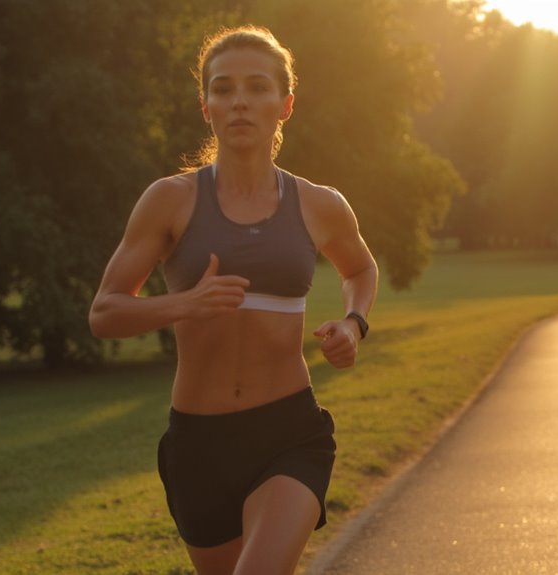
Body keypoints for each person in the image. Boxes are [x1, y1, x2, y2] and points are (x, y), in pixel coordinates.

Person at [89, 25, 377, 575]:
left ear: (285, 104)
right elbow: (104, 312)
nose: (239, 100)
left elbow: (360, 268)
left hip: (288, 433)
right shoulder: (169, 201)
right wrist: (184, 304)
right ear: (206, 107)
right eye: (223, 89)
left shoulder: (320, 205)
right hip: (198, 443)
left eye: (257, 87)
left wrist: (353, 322)